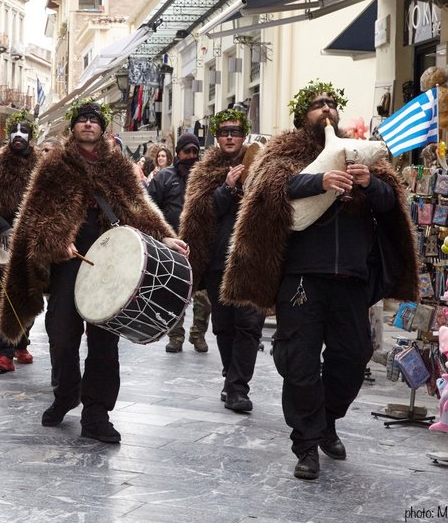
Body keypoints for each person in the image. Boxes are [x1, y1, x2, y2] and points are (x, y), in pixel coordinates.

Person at [222, 80, 418, 480]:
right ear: (301, 115)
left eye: (331, 103)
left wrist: (370, 183)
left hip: (351, 277)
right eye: (317, 104)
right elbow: (265, 191)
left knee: (353, 356)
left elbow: (390, 205)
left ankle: (327, 419)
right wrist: (319, 181)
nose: (326, 109)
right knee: (301, 363)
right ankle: (307, 443)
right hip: (301, 278)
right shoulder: (283, 152)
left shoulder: (358, 152)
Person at [0, 98, 186, 444]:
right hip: (68, 264)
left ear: (102, 128)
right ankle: (66, 392)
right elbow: (36, 217)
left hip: (111, 265)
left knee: (104, 342)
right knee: (61, 334)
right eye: (82, 120)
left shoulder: (118, 166)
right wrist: (56, 242)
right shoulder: (53, 166)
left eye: (94, 120)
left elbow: (137, 207)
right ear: (73, 127)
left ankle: (97, 413)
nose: (88, 124)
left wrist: (165, 238)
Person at [179, 109, 265, 413]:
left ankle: (239, 387)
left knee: (250, 324)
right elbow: (201, 214)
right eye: (225, 132)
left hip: (253, 258)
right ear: (217, 137)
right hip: (219, 260)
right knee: (224, 326)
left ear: (244, 136)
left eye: (236, 132)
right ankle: (231, 376)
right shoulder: (204, 171)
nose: (230, 136)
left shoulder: (262, 164)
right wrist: (227, 188)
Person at [0, 109, 38, 373]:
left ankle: (21, 342)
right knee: (6, 292)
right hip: (2, 238)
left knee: (31, 291)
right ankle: (3, 352)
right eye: (13, 131)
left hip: (31, 237)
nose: (17, 136)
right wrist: (2, 227)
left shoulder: (41, 166)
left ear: (30, 137)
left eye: (23, 132)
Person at [147, 132, 211, 353]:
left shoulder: (205, 177)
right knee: (175, 293)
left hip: (201, 245)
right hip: (172, 246)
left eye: (195, 151)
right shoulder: (164, 177)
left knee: (203, 297)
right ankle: (175, 336)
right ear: (178, 154)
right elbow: (149, 206)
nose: (191, 156)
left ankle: (198, 334)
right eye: (187, 151)